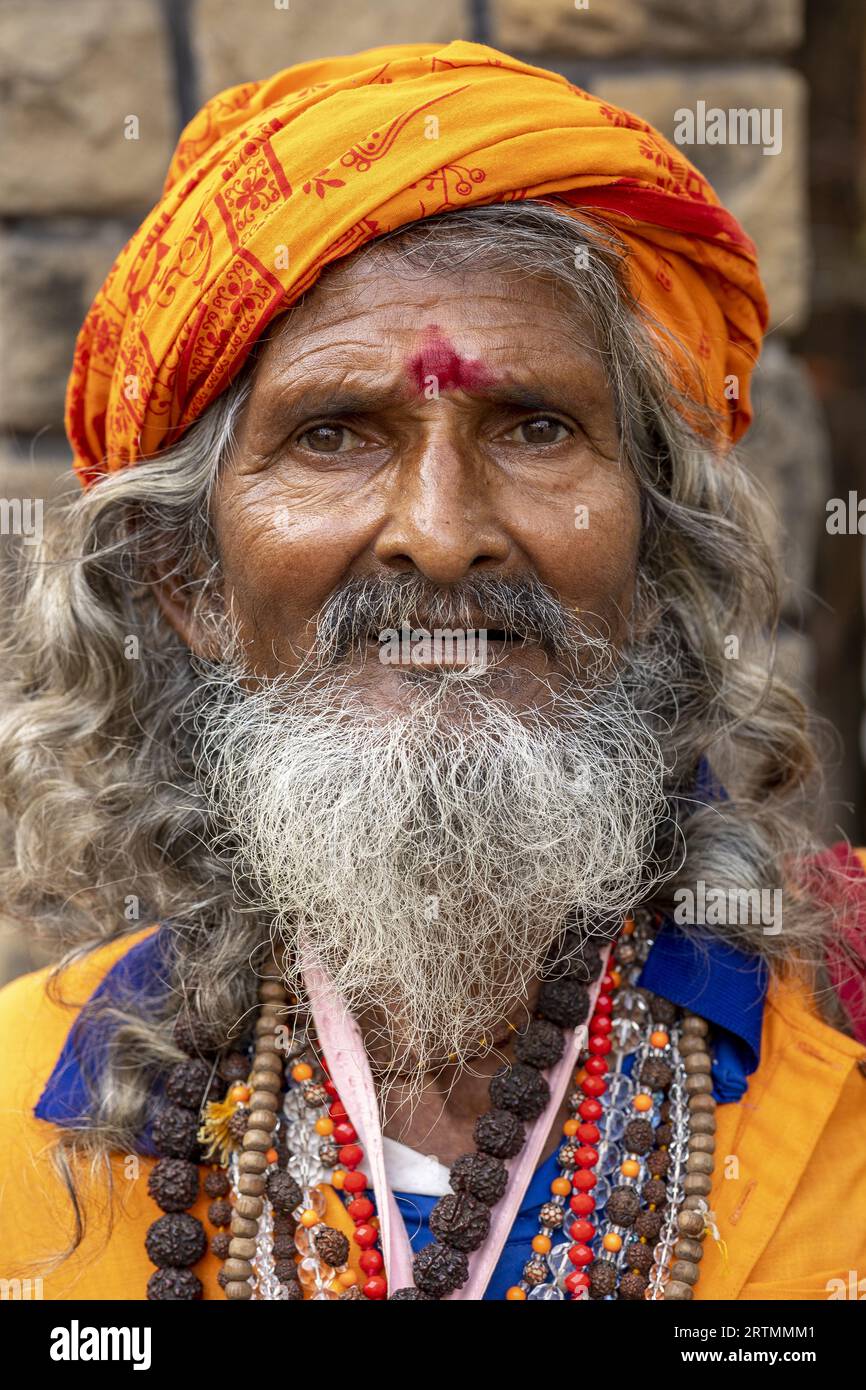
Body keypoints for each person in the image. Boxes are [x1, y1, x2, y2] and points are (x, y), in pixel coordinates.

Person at [1, 39, 864, 1304]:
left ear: (652, 550)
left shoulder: (837, 1034)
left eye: (534, 426)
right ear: (189, 583)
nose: (441, 528)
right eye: (334, 434)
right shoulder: (23, 1113)